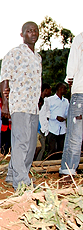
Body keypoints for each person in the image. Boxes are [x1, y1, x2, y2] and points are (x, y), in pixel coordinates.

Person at [0, 21, 42, 190]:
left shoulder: (37, 57)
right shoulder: (15, 53)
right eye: (29, 31)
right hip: (19, 104)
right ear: (22, 34)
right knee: (22, 143)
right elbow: (5, 80)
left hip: (33, 106)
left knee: (31, 144)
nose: (33, 33)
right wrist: (5, 105)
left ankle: (12, 175)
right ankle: (22, 181)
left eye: (35, 31)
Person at [60, 32, 83, 176]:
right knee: (75, 136)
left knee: (75, 135)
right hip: (81, 92)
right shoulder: (81, 38)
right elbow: (71, 74)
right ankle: (68, 171)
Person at [43, 82, 69, 159]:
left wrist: (64, 117)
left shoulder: (66, 101)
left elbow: (67, 113)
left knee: (61, 149)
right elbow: (46, 112)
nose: (66, 90)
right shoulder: (50, 100)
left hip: (62, 129)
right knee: (52, 149)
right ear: (60, 89)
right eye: (64, 88)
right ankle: (49, 166)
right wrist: (55, 117)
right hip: (52, 128)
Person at [36, 83, 52, 161]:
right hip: (36, 128)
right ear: (45, 90)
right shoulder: (35, 99)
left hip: (43, 128)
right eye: (50, 90)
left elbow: (47, 114)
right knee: (37, 147)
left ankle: (37, 164)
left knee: (42, 148)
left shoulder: (46, 101)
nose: (51, 92)